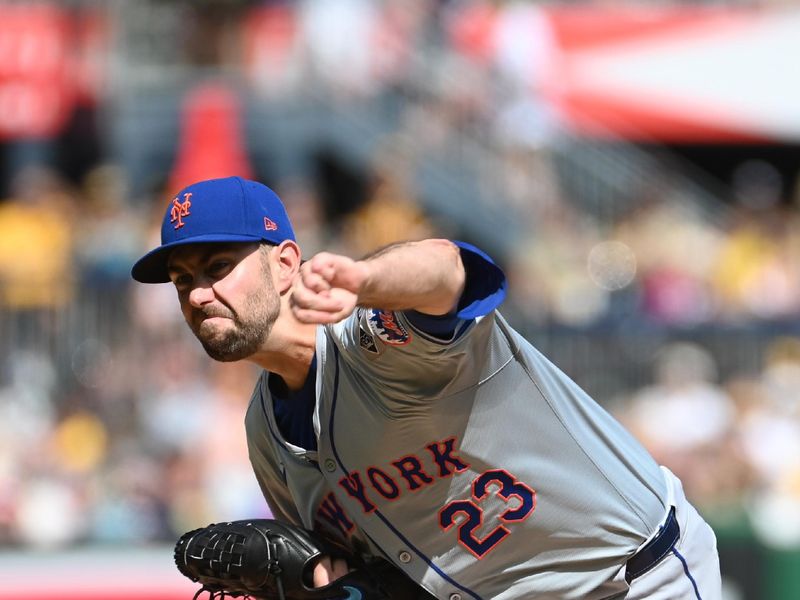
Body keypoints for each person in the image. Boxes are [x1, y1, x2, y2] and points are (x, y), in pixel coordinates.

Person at [132, 176, 721, 599]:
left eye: (217, 267)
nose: (198, 293)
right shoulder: (266, 431)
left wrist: (367, 279)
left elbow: (448, 271)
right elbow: (358, 572)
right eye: (183, 280)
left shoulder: (375, 336)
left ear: (286, 264)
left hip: (632, 577)